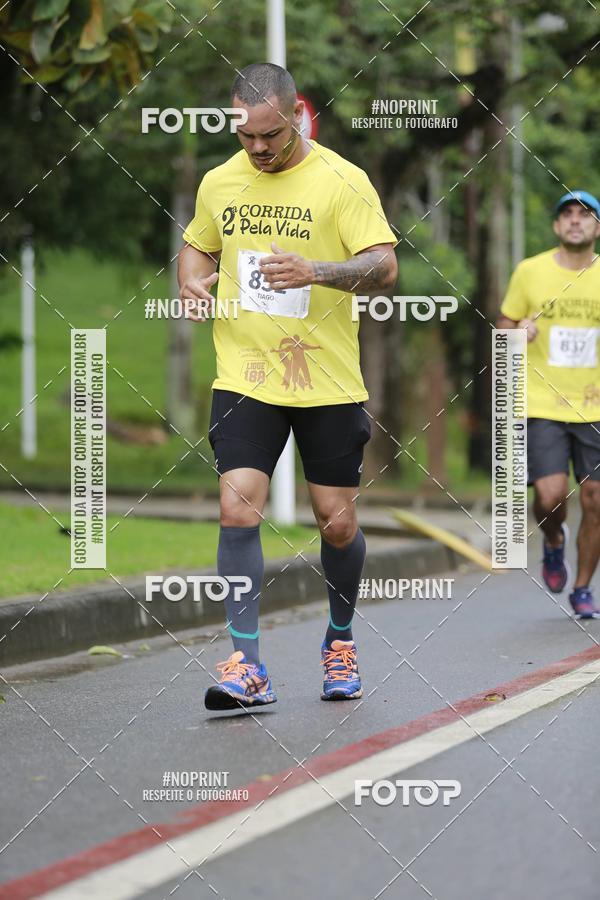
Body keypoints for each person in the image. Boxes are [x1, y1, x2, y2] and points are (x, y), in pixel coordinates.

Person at [178, 63, 398, 708]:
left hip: (326, 378)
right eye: (246, 137)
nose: (259, 148)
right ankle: (247, 665)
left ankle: (340, 640)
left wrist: (317, 271)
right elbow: (199, 244)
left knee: (336, 521)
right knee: (237, 506)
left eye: (271, 135)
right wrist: (190, 280)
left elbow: (384, 267)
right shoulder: (220, 181)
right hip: (245, 372)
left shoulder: (342, 180)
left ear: (296, 116)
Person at [498, 190, 600, 619]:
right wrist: (517, 330)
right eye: (567, 214)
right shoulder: (530, 271)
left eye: (585, 214)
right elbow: (503, 328)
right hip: (542, 403)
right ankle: (554, 539)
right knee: (551, 496)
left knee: (595, 500)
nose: (576, 220)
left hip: (595, 407)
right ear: (557, 226)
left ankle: (583, 588)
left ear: (596, 228)